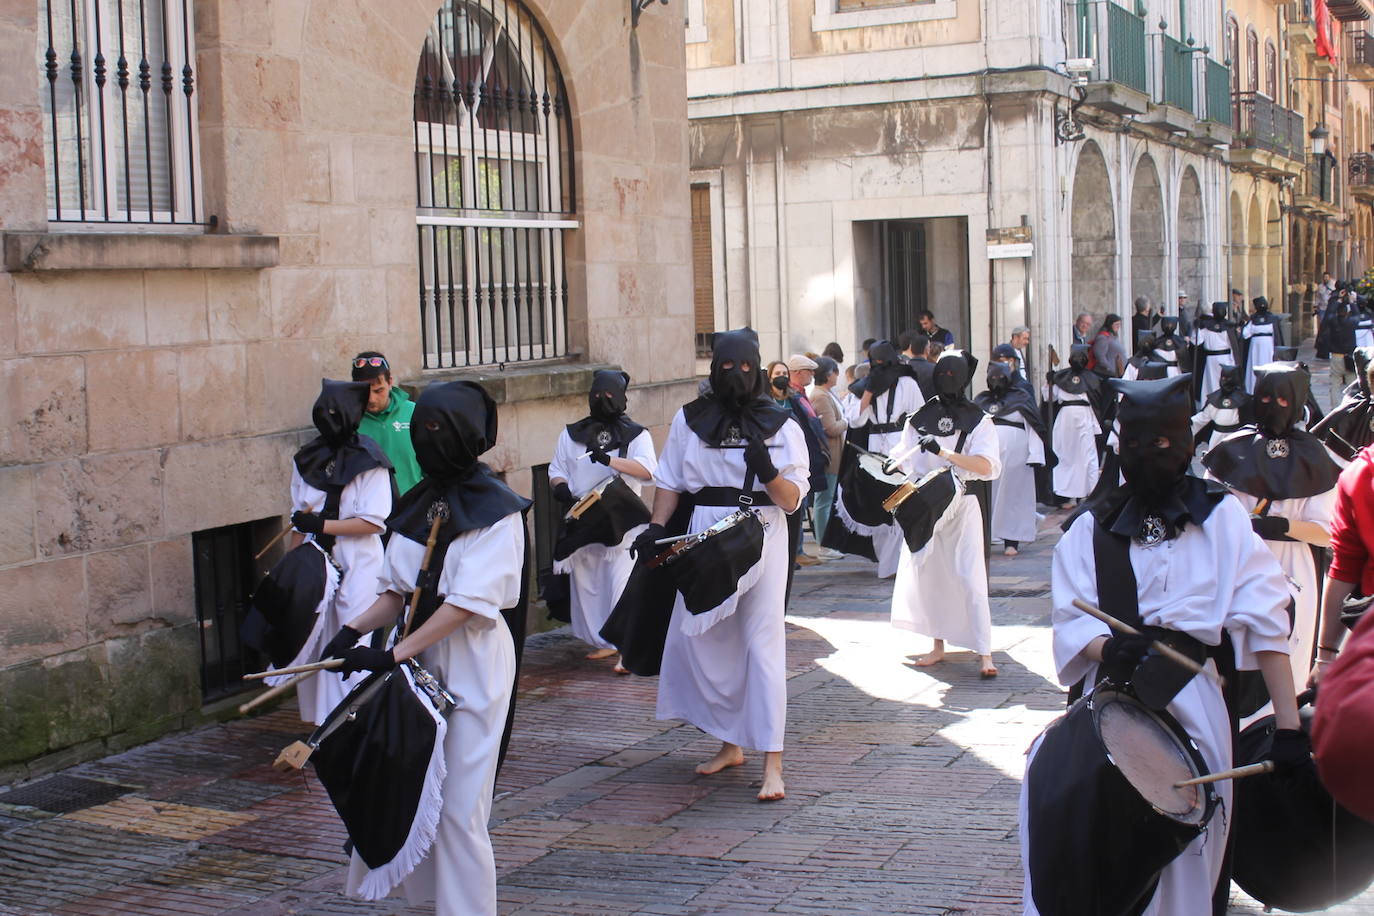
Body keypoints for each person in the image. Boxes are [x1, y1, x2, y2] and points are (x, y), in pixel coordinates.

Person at [1019, 373, 1305, 916]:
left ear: (1188, 445)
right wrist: (1109, 649)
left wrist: (1288, 729)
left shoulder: (1223, 520)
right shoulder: (1090, 529)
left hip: (1195, 702)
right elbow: (1071, 618)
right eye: (1136, 443)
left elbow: (1268, 626)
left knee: (1186, 860)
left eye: (1163, 443)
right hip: (1105, 703)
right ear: (1118, 445)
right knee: (1087, 842)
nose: (1149, 455)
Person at [321, 380, 529, 915]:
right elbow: (397, 591)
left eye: (435, 429)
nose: (423, 439)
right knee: (416, 792)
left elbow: (464, 605)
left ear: (461, 433)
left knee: (460, 807)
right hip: (417, 659)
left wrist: (392, 654)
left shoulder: (499, 511)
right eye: (420, 429)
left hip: (473, 664)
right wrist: (354, 632)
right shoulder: (418, 502)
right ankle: (431, 903)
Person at [638, 330, 809, 802]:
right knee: (708, 641)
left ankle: (772, 762)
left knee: (762, 643)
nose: (737, 375)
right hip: (705, 534)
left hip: (762, 534)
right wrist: (657, 527)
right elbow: (670, 480)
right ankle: (730, 743)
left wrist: (769, 471)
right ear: (714, 368)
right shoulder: (690, 420)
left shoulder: (782, 425)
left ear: (758, 369)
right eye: (727, 366)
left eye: (746, 367)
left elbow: (792, 501)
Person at [1203, 362, 1339, 695]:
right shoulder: (1231, 451)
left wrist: (1281, 525)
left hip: (1294, 567)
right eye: (1266, 399)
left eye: (1282, 401)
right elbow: (1208, 515)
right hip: (1239, 565)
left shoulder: (1315, 457)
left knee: (1290, 659)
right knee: (1238, 660)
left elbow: (1325, 532)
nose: (1273, 408)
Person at [288, 379, 394, 725]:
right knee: (316, 636)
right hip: (316, 563)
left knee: (352, 634)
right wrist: (291, 567)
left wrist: (323, 526)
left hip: (358, 562)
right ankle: (323, 722)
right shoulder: (306, 459)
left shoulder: (371, 460)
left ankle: (355, 716)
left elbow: (373, 522)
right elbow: (298, 519)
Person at [890, 350, 1002, 677]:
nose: (948, 379)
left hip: (963, 503)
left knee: (970, 575)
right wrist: (890, 465)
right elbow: (903, 456)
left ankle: (985, 653)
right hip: (928, 505)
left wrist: (945, 452)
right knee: (931, 574)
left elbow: (986, 466)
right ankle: (937, 645)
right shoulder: (919, 417)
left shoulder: (979, 419)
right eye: (943, 373)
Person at [548, 370, 657, 669]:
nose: (602, 400)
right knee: (588, 583)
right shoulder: (571, 434)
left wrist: (610, 460)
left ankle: (628, 647)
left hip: (622, 519)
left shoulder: (637, 434)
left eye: (610, 395)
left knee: (620, 582)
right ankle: (606, 640)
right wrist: (560, 488)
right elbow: (557, 468)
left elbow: (648, 471)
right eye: (597, 395)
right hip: (583, 516)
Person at [836, 340, 926, 577]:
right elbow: (855, 420)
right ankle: (887, 566)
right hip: (875, 445)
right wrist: (868, 392)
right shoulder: (864, 387)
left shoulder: (907, 383)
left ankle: (903, 563)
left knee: (902, 500)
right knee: (881, 504)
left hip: (902, 444)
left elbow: (919, 416)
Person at [976, 361, 1047, 556]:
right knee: (989, 495)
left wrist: (1036, 453)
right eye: (993, 378)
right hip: (988, 455)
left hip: (1017, 455)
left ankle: (1011, 540)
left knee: (1013, 497)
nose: (996, 381)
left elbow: (1034, 426)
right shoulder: (981, 400)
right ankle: (988, 535)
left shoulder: (1021, 398)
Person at [352, 352, 423, 495]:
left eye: (379, 391)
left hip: (414, 506)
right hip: (368, 513)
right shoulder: (348, 420)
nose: (371, 399)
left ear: (390, 382)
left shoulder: (415, 412)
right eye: (365, 392)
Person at [783, 354, 826, 573]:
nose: (812, 375)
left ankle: (798, 548)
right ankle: (796, 550)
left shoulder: (800, 395)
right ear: (798, 373)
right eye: (809, 371)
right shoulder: (792, 396)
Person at [1046, 346, 1101, 509]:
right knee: (1065, 455)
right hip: (1066, 419)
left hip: (1084, 417)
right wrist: (1049, 381)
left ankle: (1085, 493)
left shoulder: (1091, 378)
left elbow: (1097, 399)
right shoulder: (1061, 377)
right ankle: (1067, 495)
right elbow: (1049, 397)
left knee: (1085, 456)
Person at [809, 356, 847, 560]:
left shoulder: (826, 393)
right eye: (835, 371)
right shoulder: (820, 396)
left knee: (828, 499)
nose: (837, 375)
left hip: (834, 454)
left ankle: (827, 541)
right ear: (827, 374)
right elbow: (830, 427)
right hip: (828, 456)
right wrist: (846, 422)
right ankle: (823, 544)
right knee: (823, 500)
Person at [1190, 364, 1250, 462]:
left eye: (1228, 378)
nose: (1225, 381)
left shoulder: (1244, 400)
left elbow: (1250, 419)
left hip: (1236, 438)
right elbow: (1202, 418)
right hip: (1217, 438)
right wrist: (1188, 423)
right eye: (1223, 378)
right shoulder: (1214, 399)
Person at [1191, 301, 1239, 407]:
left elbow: (1196, 341)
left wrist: (1197, 329)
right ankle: (1216, 405)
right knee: (1217, 383)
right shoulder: (1228, 326)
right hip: (1223, 359)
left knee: (1214, 384)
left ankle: (1215, 405)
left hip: (1214, 360)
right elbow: (1233, 346)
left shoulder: (1207, 326)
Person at [1241, 297, 1284, 393]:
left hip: (1256, 346)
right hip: (1268, 345)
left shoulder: (1253, 320)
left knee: (1255, 365)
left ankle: (1253, 389)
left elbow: (1245, 334)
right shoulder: (1273, 319)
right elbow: (1277, 336)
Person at [1088, 314, 1126, 378]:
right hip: (1107, 374)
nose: (1118, 326)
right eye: (1116, 324)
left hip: (1117, 374)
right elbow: (1100, 357)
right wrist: (1111, 370)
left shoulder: (1113, 337)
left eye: (1119, 324)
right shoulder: (1103, 338)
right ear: (1110, 324)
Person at [901, 330, 936, 399]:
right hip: (930, 406)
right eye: (929, 347)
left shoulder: (902, 369)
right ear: (926, 350)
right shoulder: (934, 368)